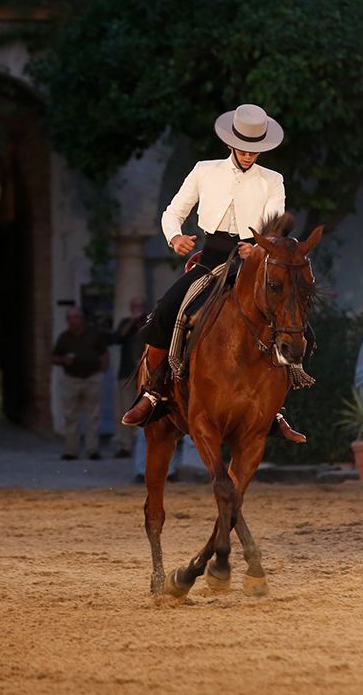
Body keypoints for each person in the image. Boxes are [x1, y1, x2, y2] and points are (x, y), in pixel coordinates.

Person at [122, 104, 287, 428]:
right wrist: (175, 238)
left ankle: (279, 406)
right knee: (168, 309)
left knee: (291, 321)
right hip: (211, 256)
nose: (249, 155)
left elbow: (275, 222)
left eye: (256, 150)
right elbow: (173, 212)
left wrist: (255, 246)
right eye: (244, 149)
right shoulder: (204, 170)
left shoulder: (273, 180)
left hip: (252, 261)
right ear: (230, 144)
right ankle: (153, 391)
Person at [52, 307, 109, 460]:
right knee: (71, 416)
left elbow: (104, 354)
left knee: (93, 415)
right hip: (72, 379)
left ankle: (93, 449)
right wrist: (64, 360)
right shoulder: (64, 337)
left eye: (75, 317)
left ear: (81, 318)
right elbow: (54, 357)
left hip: (92, 378)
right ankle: (71, 450)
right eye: (69, 318)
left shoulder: (93, 334)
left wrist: (101, 372)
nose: (73, 321)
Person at [110, 296, 148, 459]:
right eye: (135, 307)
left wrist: (141, 322)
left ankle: (144, 445)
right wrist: (132, 321)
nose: (137, 310)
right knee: (125, 409)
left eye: (140, 306)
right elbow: (117, 338)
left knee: (145, 410)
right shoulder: (125, 323)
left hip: (146, 375)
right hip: (127, 374)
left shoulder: (150, 321)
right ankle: (125, 445)